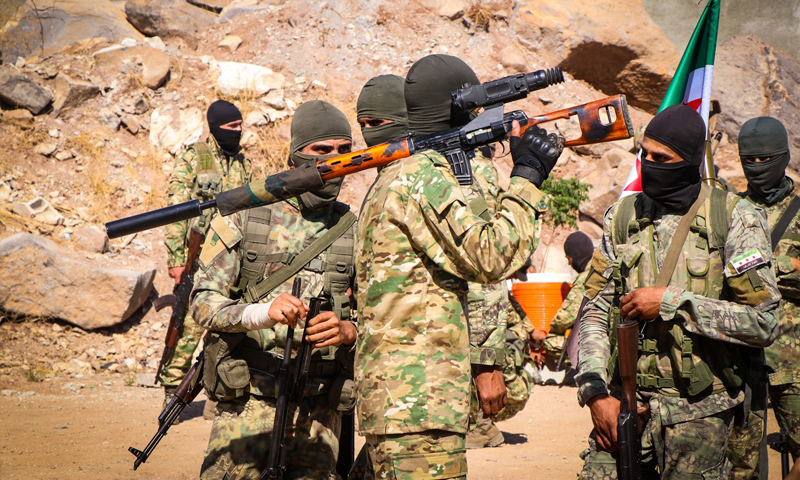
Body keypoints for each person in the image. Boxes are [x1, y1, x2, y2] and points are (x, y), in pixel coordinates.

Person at [355, 54, 564, 479]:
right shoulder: (422, 177)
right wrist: (527, 176)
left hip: (405, 402)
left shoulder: (400, 173)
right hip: (420, 405)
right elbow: (490, 257)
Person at [576, 104, 780, 478]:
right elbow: (593, 309)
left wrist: (673, 303)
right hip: (625, 411)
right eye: (644, 154)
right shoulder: (622, 217)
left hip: (699, 418)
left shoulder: (734, 218)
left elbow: (763, 323)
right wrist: (594, 391)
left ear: (688, 161)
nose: (649, 164)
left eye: (661, 157)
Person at [190, 100, 358, 480]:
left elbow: (383, 320)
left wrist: (349, 331)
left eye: (344, 151)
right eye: (322, 150)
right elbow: (202, 302)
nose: (336, 161)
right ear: (297, 154)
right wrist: (260, 313)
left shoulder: (354, 228)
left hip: (320, 417)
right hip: (249, 407)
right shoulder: (246, 216)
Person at [161, 99, 251, 420]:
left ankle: (220, 390)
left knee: (229, 324)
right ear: (215, 128)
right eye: (231, 128)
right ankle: (173, 392)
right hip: (198, 255)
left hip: (232, 255)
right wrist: (175, 258)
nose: (237, 133)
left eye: (240, 127)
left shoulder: (244, 163)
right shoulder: (193, 159)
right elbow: (174, 211)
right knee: (185, 325)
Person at [727, 116, 800, 478]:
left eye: (765, 159)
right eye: (749, 161)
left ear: (783, 157)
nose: (756, 168)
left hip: (792, 363)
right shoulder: (729, 212)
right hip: (741, 364)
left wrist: (770, 266)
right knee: (742, 467)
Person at [531, 231, 593, 369]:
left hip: (595, 337)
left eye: (569, 258)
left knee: (550, 341)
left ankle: (587, 368)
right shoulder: (601, 270)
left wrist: (548, 330)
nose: (570, 264)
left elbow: (567, 317)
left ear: (575, 256)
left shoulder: (585, 277)